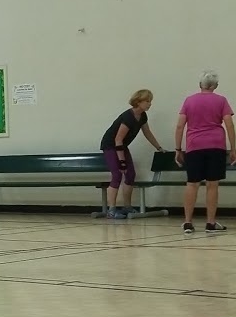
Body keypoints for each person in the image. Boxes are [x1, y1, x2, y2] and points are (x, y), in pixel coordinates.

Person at [174, 69, 236, 234]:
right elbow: (230, 124)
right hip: (216, 145)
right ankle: (210, 223)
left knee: (192, 183)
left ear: (200, 84)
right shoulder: (221, 101)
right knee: (212, 185)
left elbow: (180, 125)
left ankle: (188, 222)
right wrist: (233, 148)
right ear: (215, 85)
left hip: (194, 145)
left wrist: (178, 149)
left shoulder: (189, 101)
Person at [99, 89, 165, 219]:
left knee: (130, 174)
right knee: (117, 174)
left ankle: (127, 207)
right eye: (147, 101)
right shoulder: (128, 117)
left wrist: (159, 147)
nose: (150, 104)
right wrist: (122, 162)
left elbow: (147, 133)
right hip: (111, 145)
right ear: (138, 101)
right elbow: (118, 139)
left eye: (150, 101)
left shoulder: (143, 116)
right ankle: (111, 210)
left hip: (121, 146)